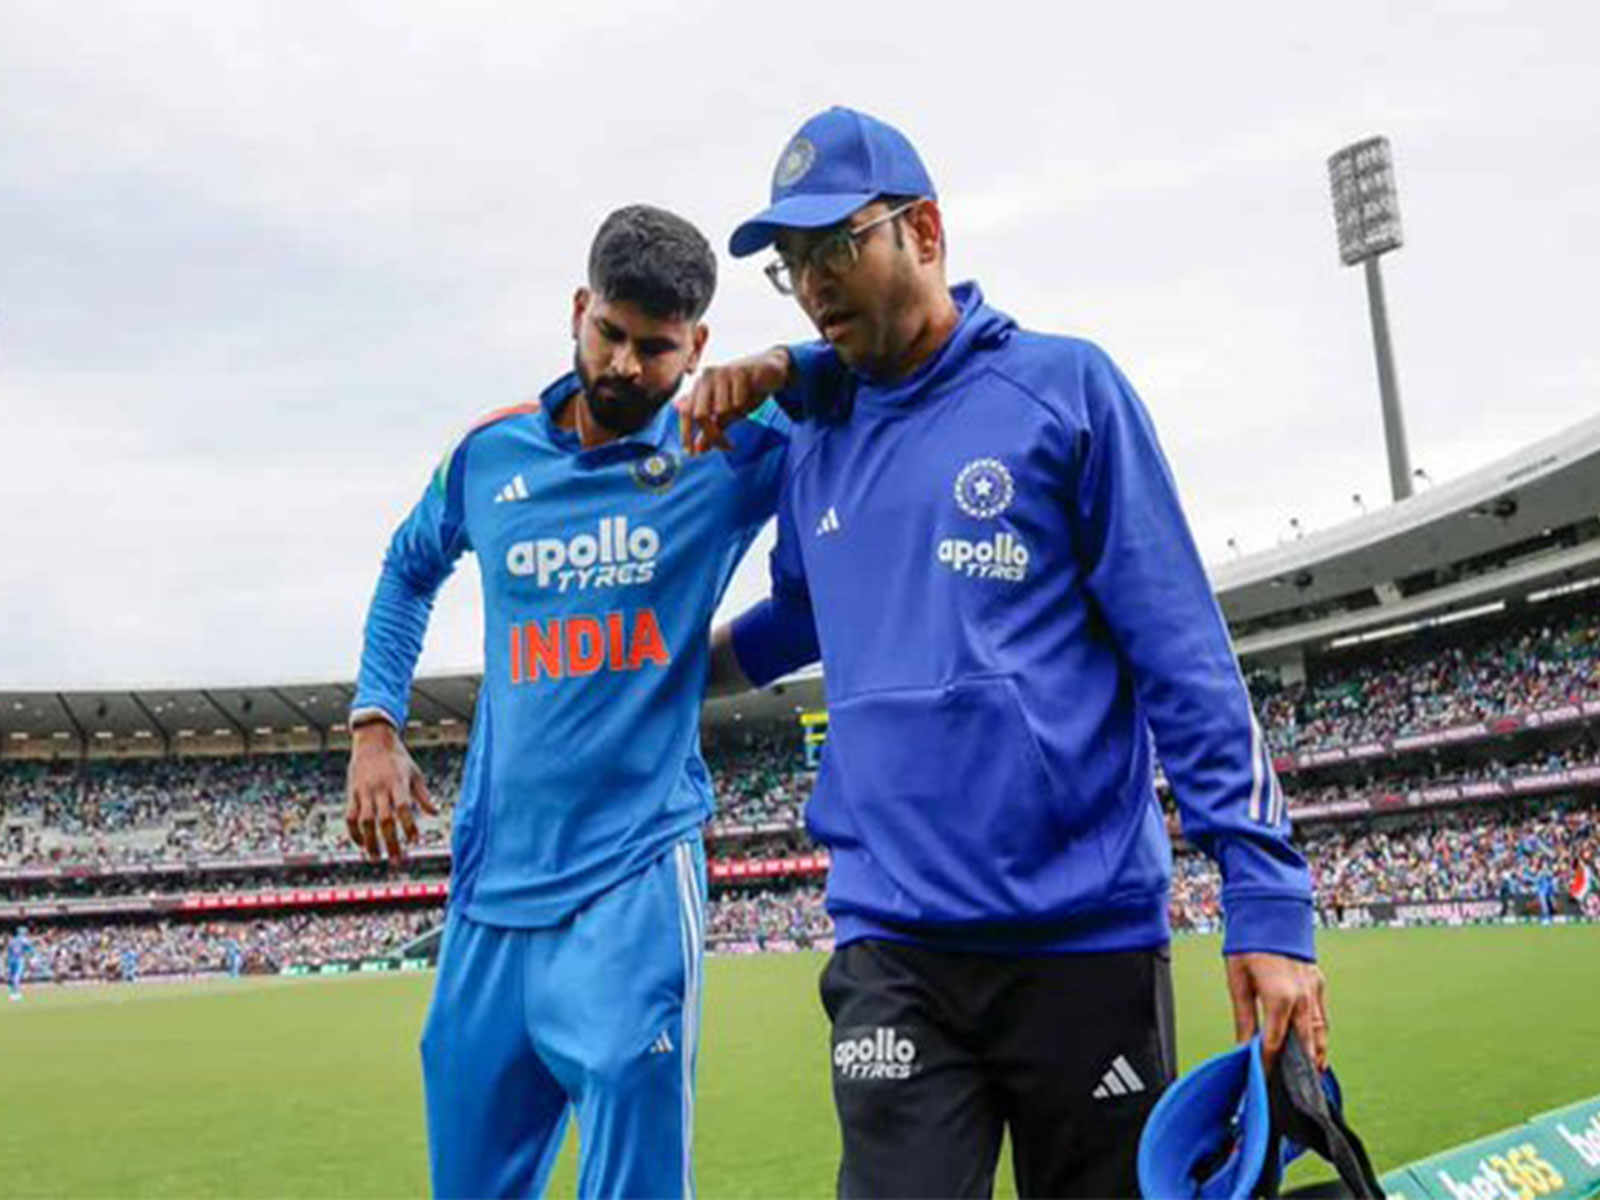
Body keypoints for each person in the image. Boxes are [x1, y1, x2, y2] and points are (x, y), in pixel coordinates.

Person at [680, 106, 1330, 1199]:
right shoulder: (816, 440)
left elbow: (1184, 658)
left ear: (924, 231)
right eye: (792, 266)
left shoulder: (1064, 391)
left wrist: (1265, 901)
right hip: (892, 946)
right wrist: (661, 670)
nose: (814, 283)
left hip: (1081, 943)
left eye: (835, 245)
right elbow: (803, 611)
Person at [346, 205, 789, 1199]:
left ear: (697, 346)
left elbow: (873, 373)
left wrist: (779, 366)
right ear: (578, 310)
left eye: (657, 347)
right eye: (611, 334)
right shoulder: (492, 454)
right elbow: (408, 567)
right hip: (491, 891)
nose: (627, 364)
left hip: (632, 878)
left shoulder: (730, 444)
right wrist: (376, 720)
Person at [7, 925, 31, 1001]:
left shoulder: (12, 940)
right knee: (16, 977)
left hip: (11, 959)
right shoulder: (24, 940)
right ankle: (17, 994)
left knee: (12, 977)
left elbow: (8, 952)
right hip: (19, 959)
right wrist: (28, 962)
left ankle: (12, 994)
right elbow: (28, 951)